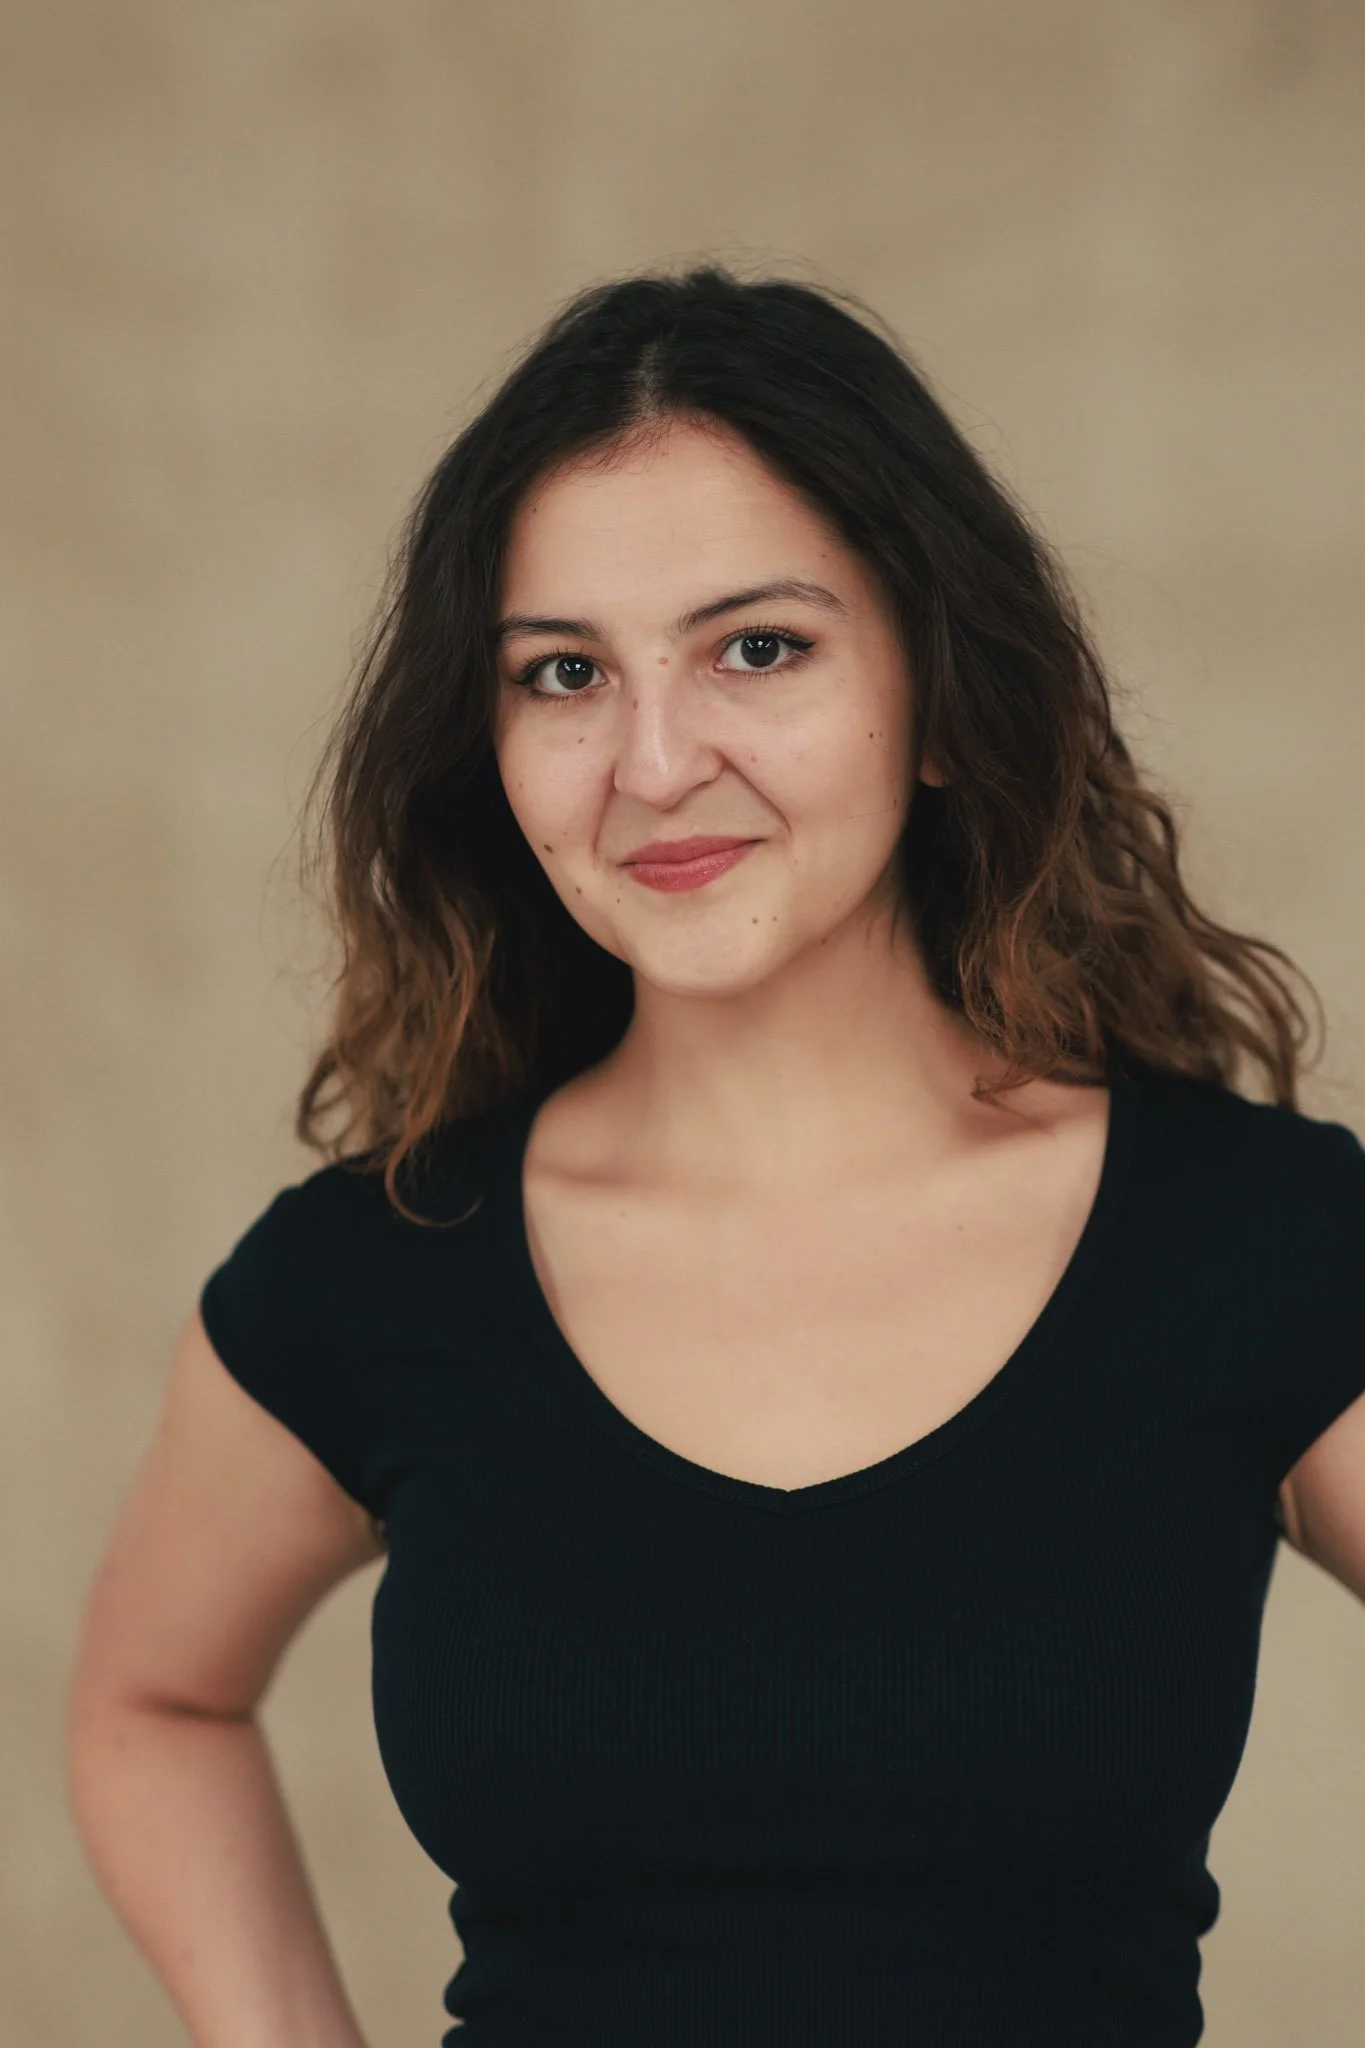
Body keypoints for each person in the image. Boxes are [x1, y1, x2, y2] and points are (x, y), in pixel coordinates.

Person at [67, 266, 1365, 2048]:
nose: (656, 763)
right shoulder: (367, 1278)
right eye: (565, 675)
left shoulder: (1261, 1246)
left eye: (759, 646)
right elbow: (152, 1704)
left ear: (942, 700)